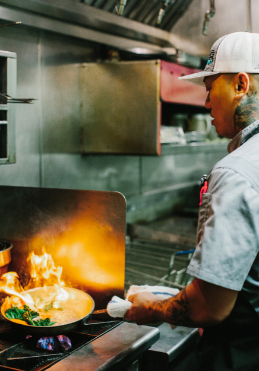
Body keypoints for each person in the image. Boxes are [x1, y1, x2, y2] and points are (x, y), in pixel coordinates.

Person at [125, 32, 259, 370]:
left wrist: (149, 307)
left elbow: (207, 308)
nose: (206, 103)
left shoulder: (238, 172)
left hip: (241, 353)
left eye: (210, 88)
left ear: (241, 84)